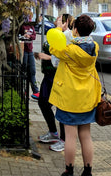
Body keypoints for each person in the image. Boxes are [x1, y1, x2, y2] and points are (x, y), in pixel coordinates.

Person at [49, 14, 102, 176]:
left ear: (75, 29)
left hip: (70, 99)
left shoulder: (69, 50)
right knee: (86, 135)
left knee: (70, 137)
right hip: (87, 98)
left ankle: (69, 170)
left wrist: (58, 28)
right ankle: (87, 171)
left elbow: (52, 47)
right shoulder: (95, 47)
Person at [35, 14, 71, 152]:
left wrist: (47, 57)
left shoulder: (67, 36)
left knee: (60, 106)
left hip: (58, 76)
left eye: (60, 19)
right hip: (48, 74)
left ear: (66, 23)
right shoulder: (56, 33)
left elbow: (64, 57)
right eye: (57, 18)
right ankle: (53, 132)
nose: (56, 20)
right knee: (43, 102)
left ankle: (64, 140)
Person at [19, 18, 40, 99]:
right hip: (23, 50)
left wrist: (29, 36)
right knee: (24, 70)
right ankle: (24, 90)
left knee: (32, 71)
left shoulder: (31, 27)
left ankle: (35, 91)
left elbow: (34, 36)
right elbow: (19, 36)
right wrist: (23, 36)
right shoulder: (22, 26)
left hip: (30, 51)